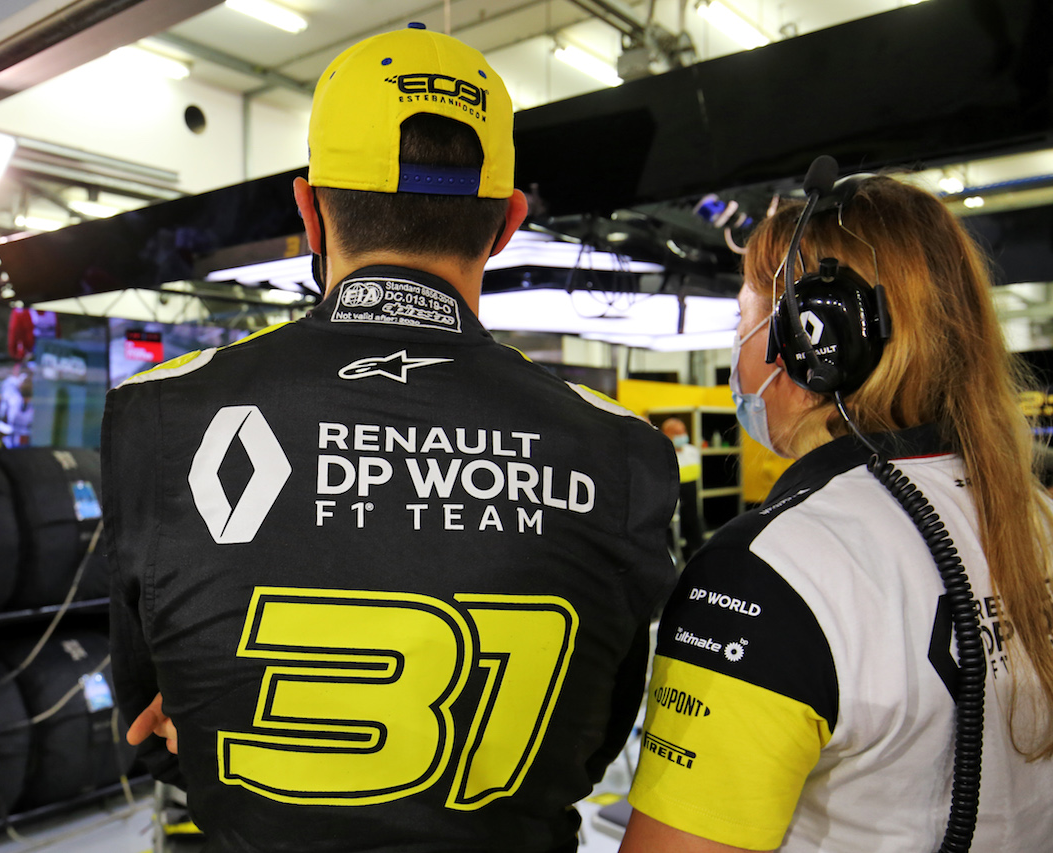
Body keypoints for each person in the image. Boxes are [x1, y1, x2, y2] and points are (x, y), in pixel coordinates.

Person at [103, 24, 680, 853]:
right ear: (509, 221)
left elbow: (154, 730)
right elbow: (590, 745)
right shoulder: (622, 449)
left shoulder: (160, 414)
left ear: (308, 206)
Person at [620, 175, 1053, 851]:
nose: (736, 352)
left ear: (812, 339)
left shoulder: (768, 570)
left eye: (743, 320)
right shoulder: (1037, 516)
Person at [660, 417, 704, 561]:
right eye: (677, 432)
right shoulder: (663, 453)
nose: (681, 435)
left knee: (693, 523)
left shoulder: (692, 451)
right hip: (671, 494)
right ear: (666, 433)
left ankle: (694, 553)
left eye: (683, 431)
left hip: (691, 495)